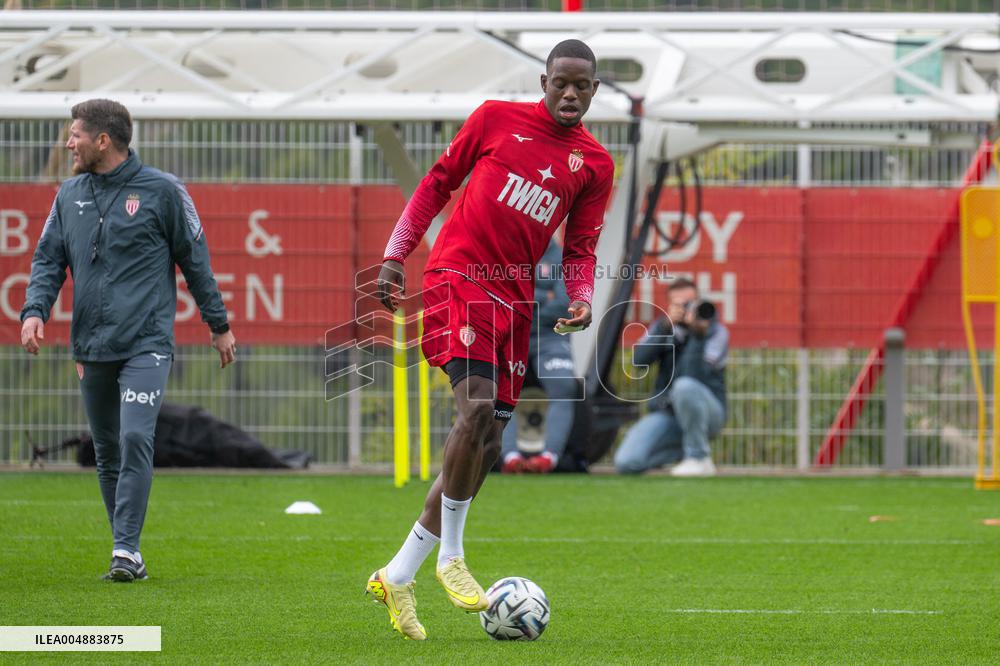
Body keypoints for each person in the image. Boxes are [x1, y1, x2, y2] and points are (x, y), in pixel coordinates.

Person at [370, 40, 614, 640]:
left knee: (484, 441)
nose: (570, 94)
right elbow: (436, 183)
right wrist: (396, 254)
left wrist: (581, 293)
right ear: (544, 80)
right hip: (459, 276)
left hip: (516, 299)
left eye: (582, 86)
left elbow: (581, 248)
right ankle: (452, 555)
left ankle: (399, 573)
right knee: (475, 408)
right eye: (561, 82)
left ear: (594, 90)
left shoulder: (595, 165)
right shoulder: (494, 119)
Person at [19, 99, 235, 582]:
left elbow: (195, 260)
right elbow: (48, 260)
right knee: (108, 450)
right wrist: (35, 311)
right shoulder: (68, 194)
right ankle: (126, 548)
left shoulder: (162, 191)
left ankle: (125, 550)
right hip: (91, 345)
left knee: (136, 435)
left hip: (147, 343)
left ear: (103, 140)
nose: (68, 143)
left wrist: (217, 324)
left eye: (75, 134)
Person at [614, 278, 728, 477]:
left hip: (708, 412)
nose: (686, 309)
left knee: (684, 386)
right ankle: (684, 455)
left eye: (690, 303)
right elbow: (639, 361)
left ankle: (698, 457)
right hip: (668, 413)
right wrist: (665, 329)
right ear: (670, 306)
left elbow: (694, 377)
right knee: (628, 462)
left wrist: (696, 336)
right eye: (680, 305)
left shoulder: (716, 332)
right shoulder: (663, 327)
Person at [501, 237, 582, 474]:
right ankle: (509, 457)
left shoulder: (563, 258)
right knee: (498, 388)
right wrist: (542, 297)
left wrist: (525, 299)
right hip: (513, 333)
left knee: (565, 387)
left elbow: (564, 304)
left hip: (552, 335)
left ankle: (549, 457)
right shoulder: (510, 252)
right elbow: (503, 297)